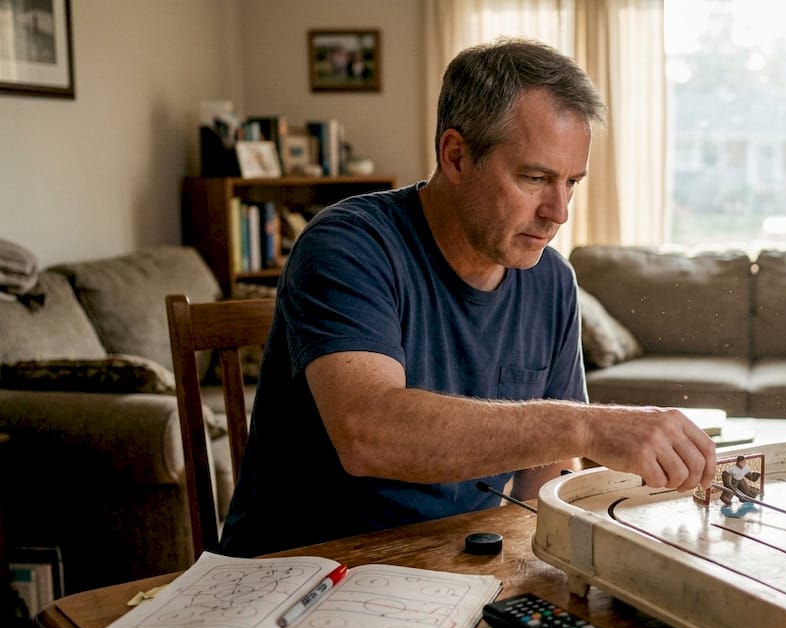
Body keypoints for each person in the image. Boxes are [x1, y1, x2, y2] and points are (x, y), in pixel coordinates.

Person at [219, 39, 717, 557]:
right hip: (295, 571)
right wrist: (586, 426)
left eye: (571, 182)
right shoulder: (347, 245)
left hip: (443, 565)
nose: (558, 211)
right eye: (535, 178)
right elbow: (368, 432)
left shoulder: (552, 281)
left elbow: (540, 483)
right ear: (456, 156)